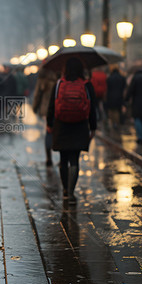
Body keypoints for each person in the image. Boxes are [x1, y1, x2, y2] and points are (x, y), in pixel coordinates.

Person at [47, 57, 97, 204]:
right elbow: (92, 109)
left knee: (63, 159)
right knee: (74, 159)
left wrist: (49, 123)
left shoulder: (59, 84)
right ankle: (71, 193)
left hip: (61, 124)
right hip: (80, 125)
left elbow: (52, 105)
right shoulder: (87, 85)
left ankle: (64, 191)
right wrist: (93, 127)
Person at [32, 66, 58, 166]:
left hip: (47, 109)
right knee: (59, 132)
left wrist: (35, 107)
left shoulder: (43, 78)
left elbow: (37, 94)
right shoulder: (59, 77)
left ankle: (49, 158)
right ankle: (61, 157)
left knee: (49, 131)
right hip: (59, 108)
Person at [105, 66, 126, 130]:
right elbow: (124, 88)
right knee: (117, 110)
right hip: (119, 96)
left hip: (110, 96)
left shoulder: (109, 78)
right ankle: (116, 123)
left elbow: (107, 88)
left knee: (112, 111)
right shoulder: (122, 78)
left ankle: (113, 123)